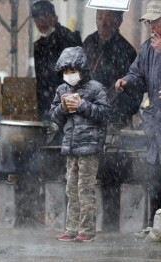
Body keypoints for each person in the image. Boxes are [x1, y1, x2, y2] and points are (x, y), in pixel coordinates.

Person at [83, 9, 143, 232]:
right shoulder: (88, 44)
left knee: (110, 176)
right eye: (99, 18)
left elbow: (135, 93)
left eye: (109, 19)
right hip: (88, 122)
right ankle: (84, 226)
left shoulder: (127, 51)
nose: (103, 23)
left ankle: (109, 227)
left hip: (113, 126)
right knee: (84, 175)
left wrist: (116, 112)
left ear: (119, 21)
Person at [50, 46, 111, 242]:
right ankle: (71, 228)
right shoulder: (62, 90)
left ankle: (87, 229)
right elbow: (52, 116)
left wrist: (82, 105)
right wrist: (63, 108)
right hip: (70, 147)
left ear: (83, 70)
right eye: (66, 72)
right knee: (71, 188)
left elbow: (105, 114)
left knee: (85, 188)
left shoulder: (96, 88)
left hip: (89, 147)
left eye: (73, 71)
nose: (69, 75)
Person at [115, 0, 161, 239]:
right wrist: (127, 81)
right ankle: (155, 224)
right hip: (155, 125)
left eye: (155, 21)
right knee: (154, 177)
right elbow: (137, 74)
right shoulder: (146, 49)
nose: (151, 26)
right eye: (149, 22)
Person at [31, 0, 82, 122]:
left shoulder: (69, 38)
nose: (41, 21)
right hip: (46, 107)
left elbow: (76, 78)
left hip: (67, 108)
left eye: (45, 16)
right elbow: (41, 82)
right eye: (37, 18)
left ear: (55, 17)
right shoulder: (38, 46)